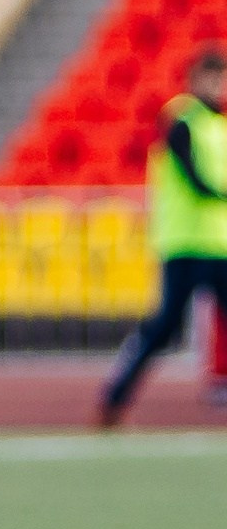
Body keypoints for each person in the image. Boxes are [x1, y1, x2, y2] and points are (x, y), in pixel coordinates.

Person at [100, 45, 227, 425]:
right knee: (166, 327)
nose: (218, 85)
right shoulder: (181, 119)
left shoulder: (220, 125)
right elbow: (194, 177)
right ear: (194, 79)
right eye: (212, 77)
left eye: (221, 78)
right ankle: (116, 395)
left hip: (219, 244)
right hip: (185, 244)